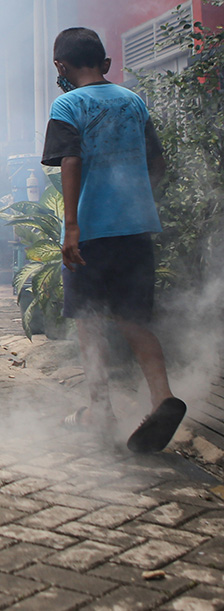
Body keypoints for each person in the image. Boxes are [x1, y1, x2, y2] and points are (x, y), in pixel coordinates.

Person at [43, 27, 186, 453]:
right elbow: (156, 164)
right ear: (103, 62)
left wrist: (72, 227)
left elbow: (70, 160)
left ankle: (99, 410)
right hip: (136, 228)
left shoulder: (68, 103)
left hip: (92, 232)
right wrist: (136, 200)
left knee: (89, 322)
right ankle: (162, 398)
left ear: (60, 67)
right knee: (134, 320)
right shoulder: (133, 101)